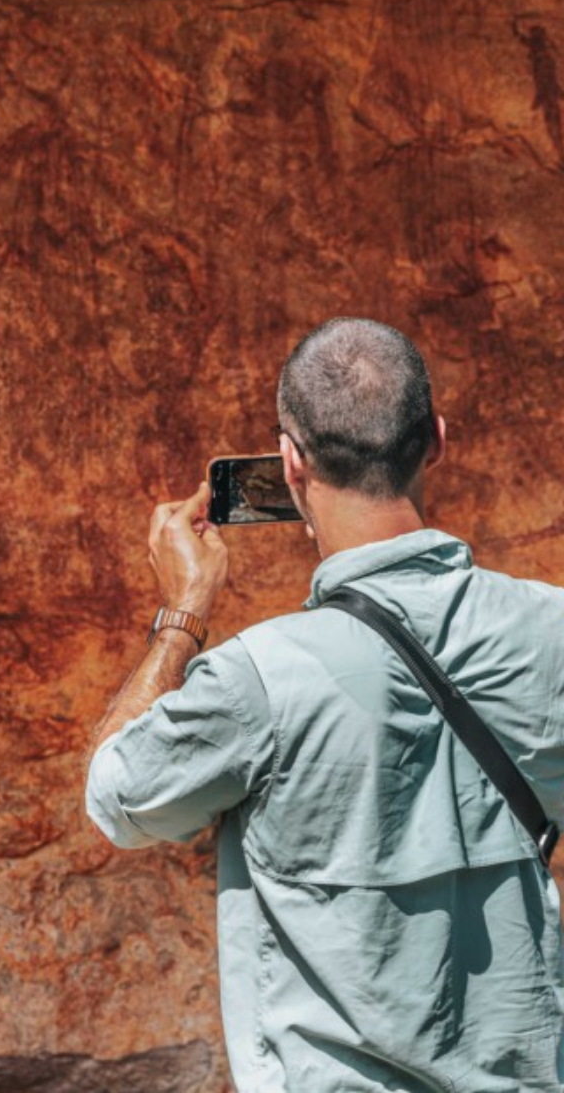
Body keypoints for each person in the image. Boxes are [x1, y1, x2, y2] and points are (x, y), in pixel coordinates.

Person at [85, 318, 564, 1091]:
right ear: (436, 440)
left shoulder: (259, 678)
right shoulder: (552, 633)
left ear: (291, 461)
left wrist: (183, 613)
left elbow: (118, 797)